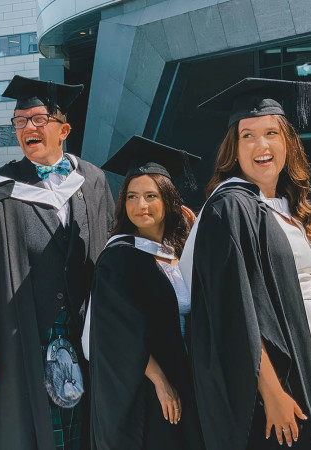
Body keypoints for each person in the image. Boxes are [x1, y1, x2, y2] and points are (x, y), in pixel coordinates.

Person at [179, 78, 311, 449]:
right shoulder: (230, 208)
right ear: (233, 149)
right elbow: (235, 313)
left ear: (287, 140)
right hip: (281, 379)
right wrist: (272, 394)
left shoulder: (287, 206)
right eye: (248, 135)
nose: (262, 145)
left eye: (271, 132)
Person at [0, 75, 115, 450]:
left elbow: (111, 250)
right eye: (20, 121)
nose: (28, 127)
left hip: (84, 333)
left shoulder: (90, 180)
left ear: (63, 129)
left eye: (38, 119)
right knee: (34, 431)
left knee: (81, 431)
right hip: (23, 337)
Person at [84, 135, 205, 450]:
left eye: (151, 195)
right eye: (132, 196)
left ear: (169, 199)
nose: (140, 205)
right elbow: (116, 334)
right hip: (146, 385)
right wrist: (161, 381)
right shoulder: (119, 257)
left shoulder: (178, 252)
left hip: (184, 373)